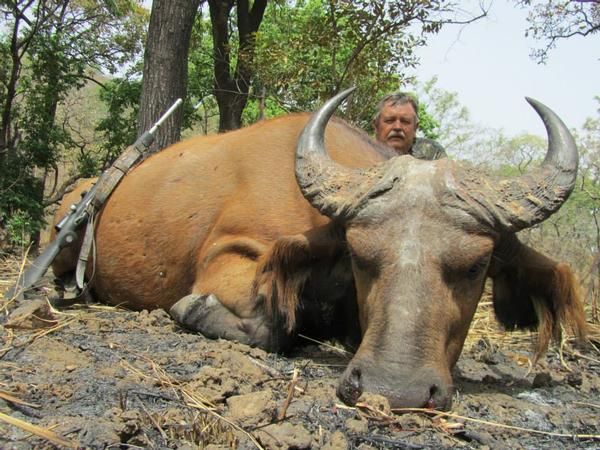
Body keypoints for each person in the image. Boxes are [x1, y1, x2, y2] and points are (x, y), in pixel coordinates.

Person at [373, 92, 446, 160]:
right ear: (376, 125)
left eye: (405, 121)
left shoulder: (432, 152)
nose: (397, 127)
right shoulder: (366, 152)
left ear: (415, 128)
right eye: (390, 120)